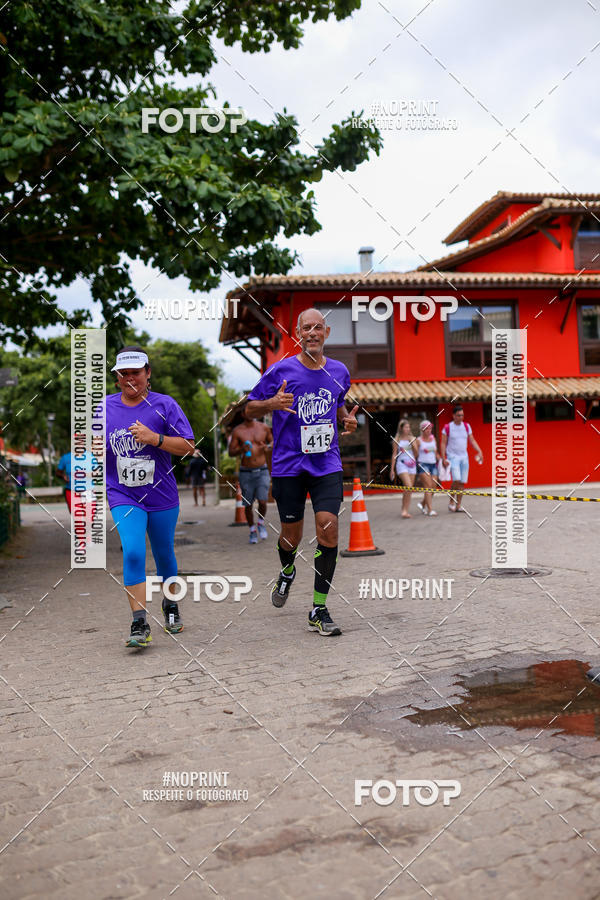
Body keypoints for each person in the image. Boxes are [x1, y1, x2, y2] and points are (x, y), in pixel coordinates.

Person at [245, 308, 358, 636]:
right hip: (289, 466)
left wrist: (346, 421)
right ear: (298, 333)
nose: (312, 332)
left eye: (318, 327)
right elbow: (249, 407)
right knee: (290, 536)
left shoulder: (339, 371)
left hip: (326, 464)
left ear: (327, 332)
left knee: (329, 529)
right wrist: (271, 404)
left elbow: (338, 409)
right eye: (306, 328)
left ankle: (318, 608)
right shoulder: (280, 370)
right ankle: (288, 570)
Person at [102, 345, 195, 648]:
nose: (130, 379)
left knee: (164, 554)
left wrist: (154, 438)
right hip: (123, 493)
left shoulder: (165, 405)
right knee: (132, 552)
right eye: (123, 374)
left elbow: (188, 448)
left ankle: (170, 605)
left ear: (148, 373)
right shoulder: (103, 408)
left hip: (161, 495)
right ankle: (139, 622)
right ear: (116, 377)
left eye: (136, 373)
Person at [228, 406, 273, 543]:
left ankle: (260, 522)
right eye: (247, 411)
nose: (250, 413)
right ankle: (252, 530)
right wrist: (241, 449)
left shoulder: (264, 427)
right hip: (246, 472)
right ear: (242, 414)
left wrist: (268, 447)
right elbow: (231, 452)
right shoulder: (238, 431)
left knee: (263, 501)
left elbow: (273, 441)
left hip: (262, 470)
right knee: (248, 504)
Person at [440, 404, 484, 512]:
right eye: (459, 415)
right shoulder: (447, 427)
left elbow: (472, 440)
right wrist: (443, 458)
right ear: (454, 415)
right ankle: (451, 502)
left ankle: (458, 505)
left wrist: (479, 451)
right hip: (452, 457)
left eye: (462, 415)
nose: (461, 417)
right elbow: (443, 443)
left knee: (462, 482)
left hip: (464, 457)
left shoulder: (466, 426)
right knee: (456, 479)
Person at [390, 419, 418, 518]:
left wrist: (412, 444)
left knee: (408, 490)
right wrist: (392, 469)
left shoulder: (413, 438)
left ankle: (405, 509)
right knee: (408, 486)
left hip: (412, 465)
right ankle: (404, 510)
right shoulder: (397, 439)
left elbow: (416, 454)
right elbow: (394, 454)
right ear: (401, 428)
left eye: (409, 427)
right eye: (406, 427)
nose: (408, 429)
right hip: (401, 464)